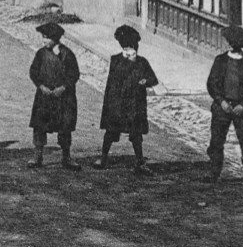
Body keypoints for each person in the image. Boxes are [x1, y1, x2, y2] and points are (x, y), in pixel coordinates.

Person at [207, 24, 243, 188]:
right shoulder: (220, 61)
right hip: (222, 109)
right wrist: (221, 101)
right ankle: (214, 175)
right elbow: (212, 84)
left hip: (242, 110)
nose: (228, 45)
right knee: (217, 143)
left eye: (230, 42)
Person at [94, 24, 158, 172]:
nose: (130, 50)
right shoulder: (115, 60)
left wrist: (144, 81)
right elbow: (115, 79)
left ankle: (140, 161)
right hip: (117, 103)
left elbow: (153, 79)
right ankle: (103, 157)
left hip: (135, 105)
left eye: (132, 47)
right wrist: (128, 62)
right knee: (110, 132)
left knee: (136, 134)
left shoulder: (142, 62)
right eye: (126, 47)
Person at [28, 22, 81, 170]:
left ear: (55, 39)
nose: (44, 41)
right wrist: (41, 86)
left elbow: (74, 74)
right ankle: (37, 156)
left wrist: (63, 87)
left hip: (63, 98)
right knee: (40, 126)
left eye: (47, 38)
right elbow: (33, 72)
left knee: (65, 127)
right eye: (43, 38)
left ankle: (66, 157)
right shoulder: (40, 54)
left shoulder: (67, 55)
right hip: (44, 97)